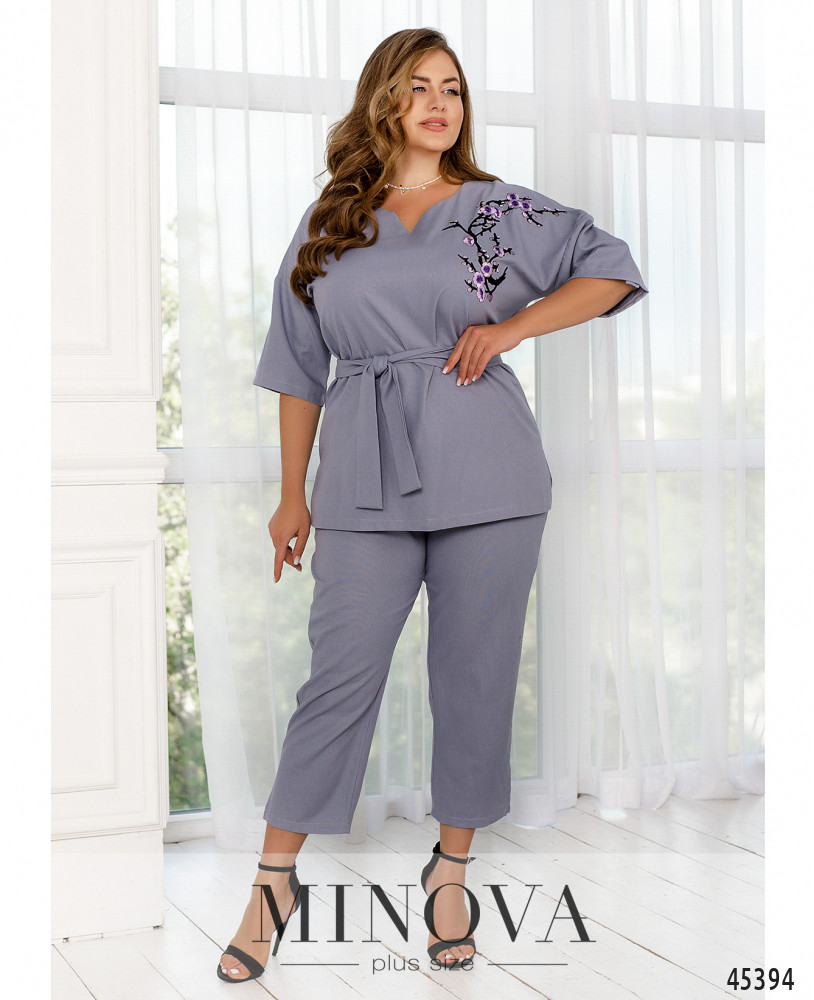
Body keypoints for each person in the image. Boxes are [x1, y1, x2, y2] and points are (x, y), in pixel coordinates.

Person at [217, 26, 648, 983]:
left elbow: (612, 266)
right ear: (384, 99)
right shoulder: (331, 221)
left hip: (490, 469)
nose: (439, 103)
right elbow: (298, 364)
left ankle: (450, 872)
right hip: (361, 475)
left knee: (475, 679)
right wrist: (291, 495)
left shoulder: (499, 210)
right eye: (418, 86)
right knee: (338, 679)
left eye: (451, 86)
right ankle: (272, 883)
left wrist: (513, 327)